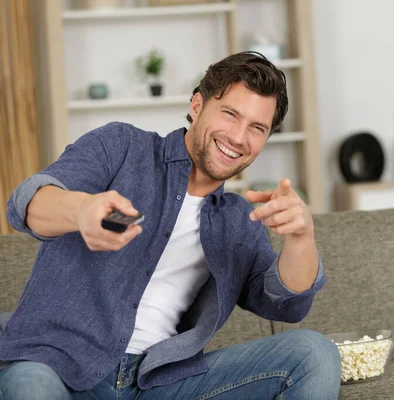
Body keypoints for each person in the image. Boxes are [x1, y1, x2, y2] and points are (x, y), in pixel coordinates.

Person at [0, 51, 341, 399]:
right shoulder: (122, 147)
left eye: (257, 128)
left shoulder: (238, 219)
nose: (239, 137)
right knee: (29, 387)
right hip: (60, 368)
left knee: (313, 353)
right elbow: (27, 205)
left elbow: (286, 306)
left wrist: (302, 237)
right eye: (230, 114)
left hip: (160, 382)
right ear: (197, 105)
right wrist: (82, 210)